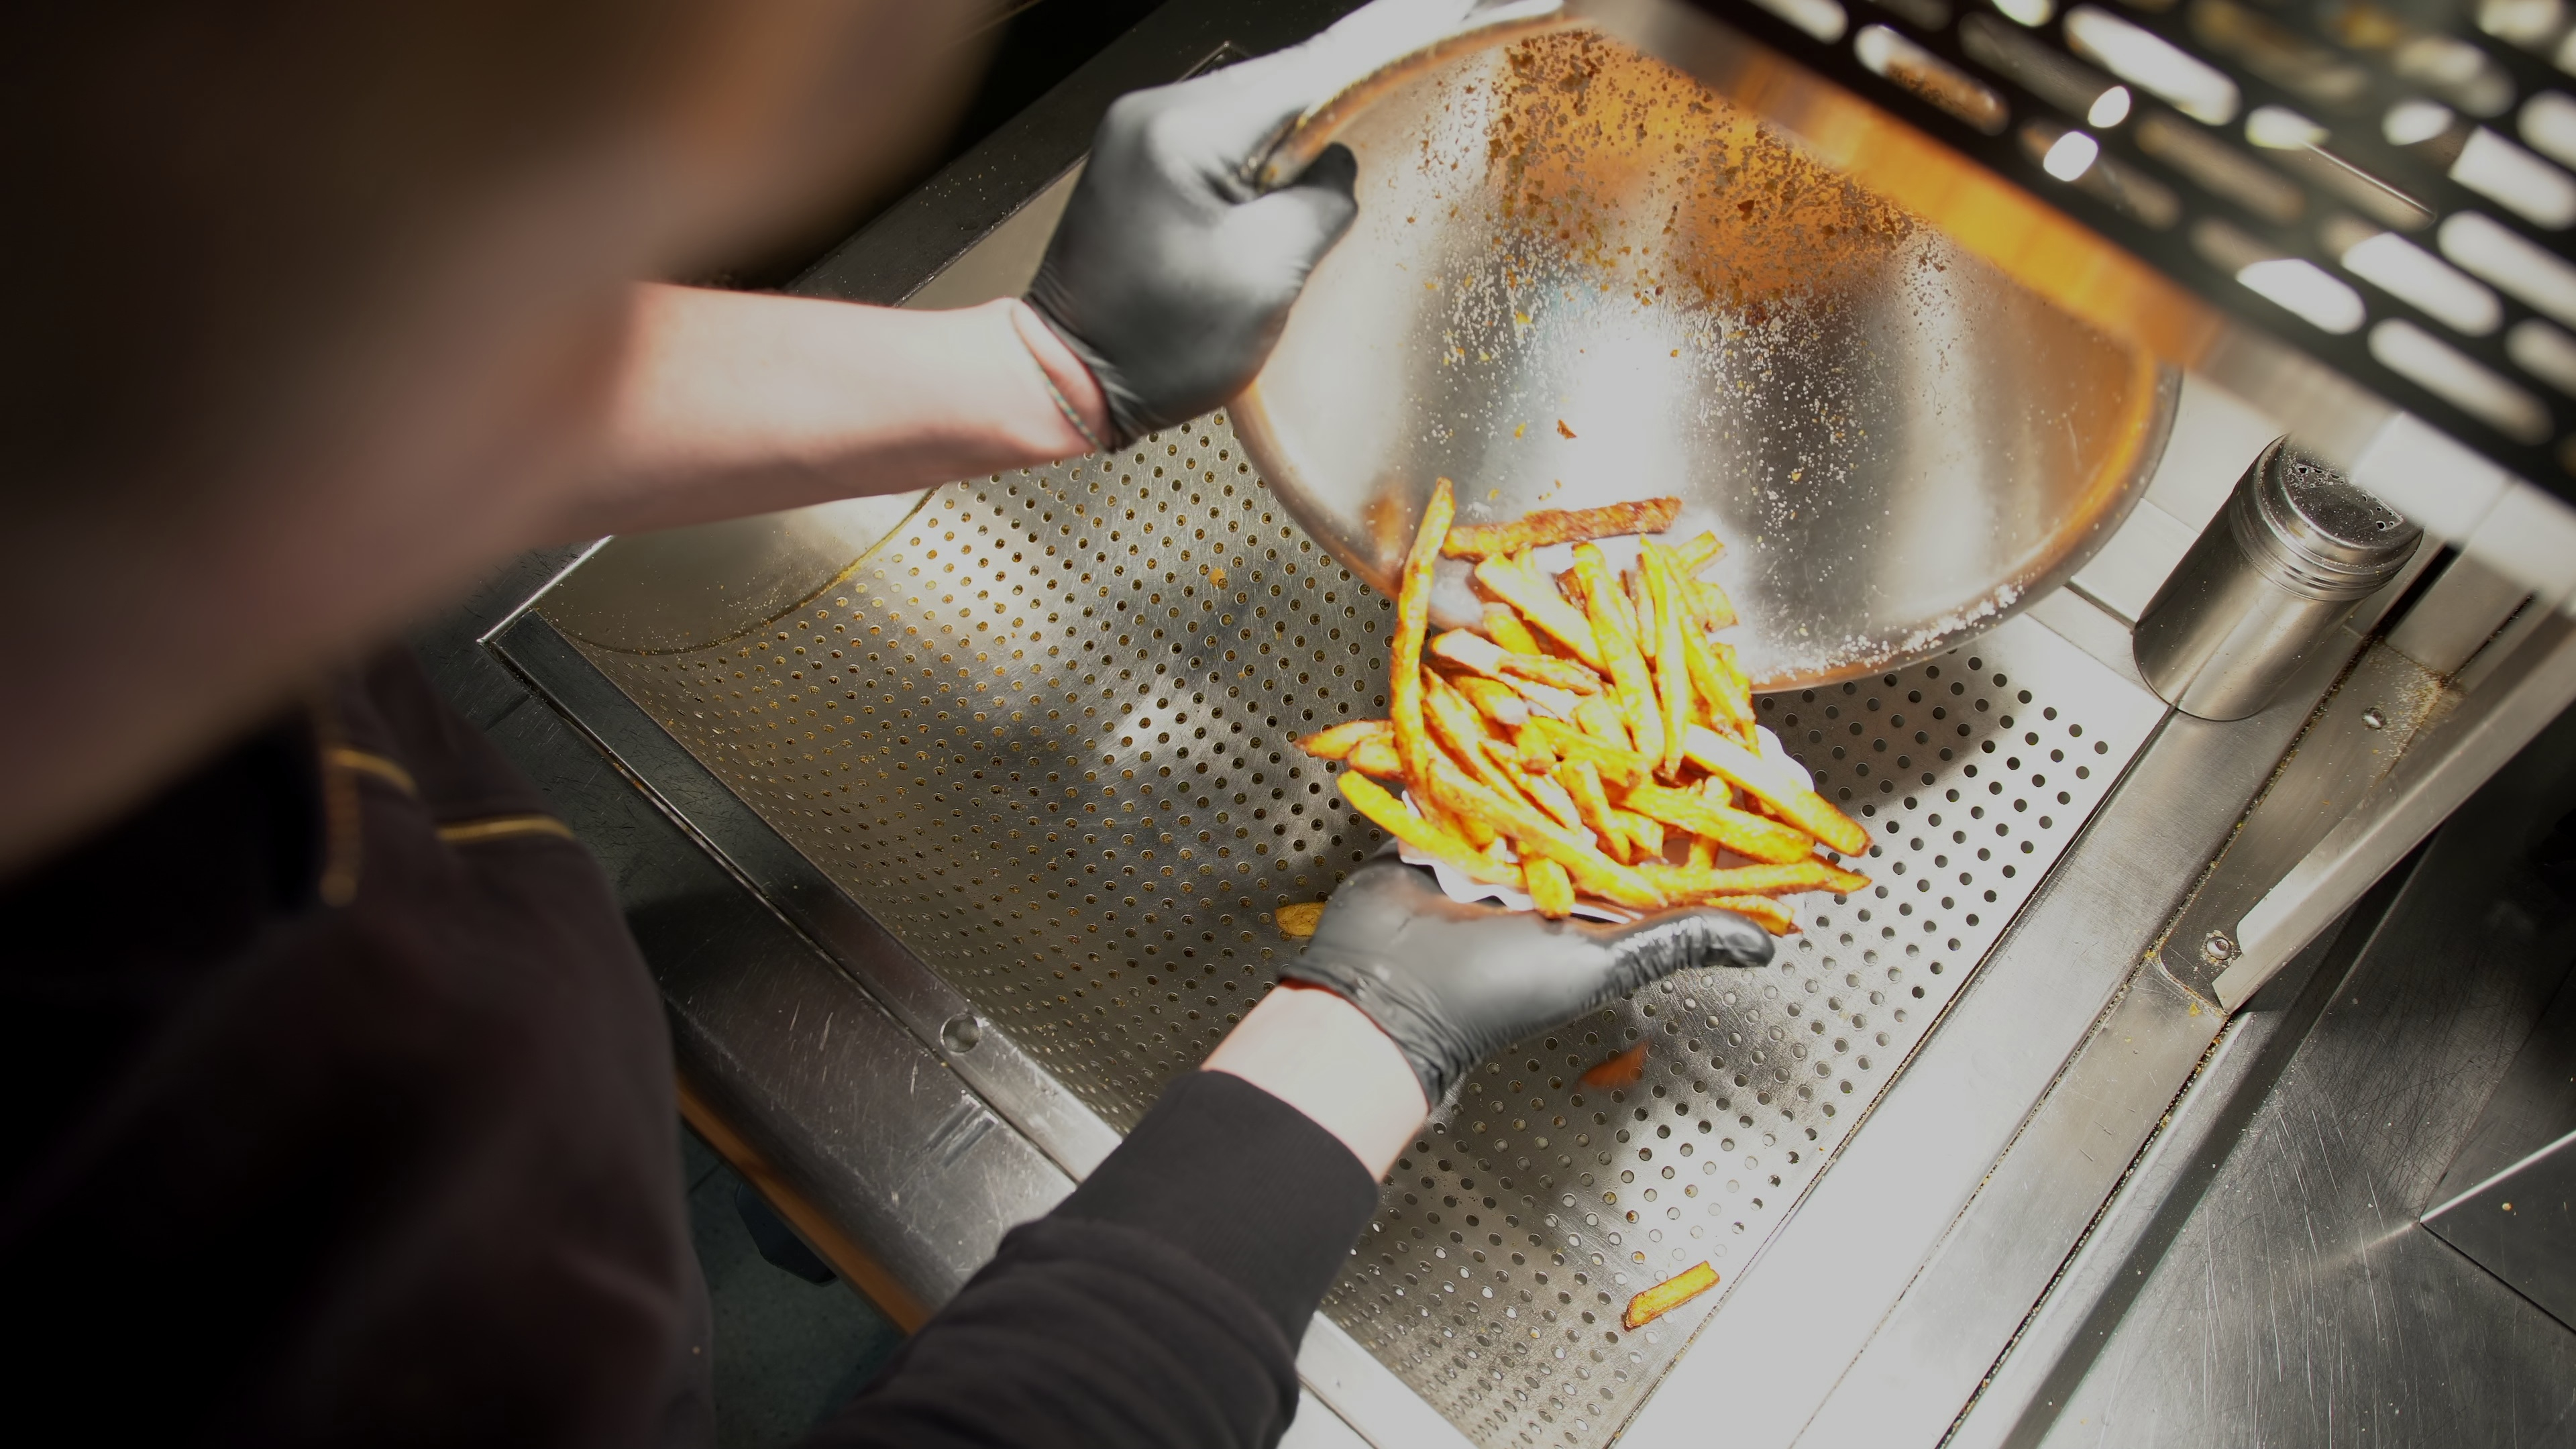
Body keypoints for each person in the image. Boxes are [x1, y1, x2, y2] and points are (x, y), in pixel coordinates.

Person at [0, 3, 1772, 1445]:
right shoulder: (195, 1155)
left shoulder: (114, 399)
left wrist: (1034, 369)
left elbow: (269, 370)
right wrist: (1367, 1035)